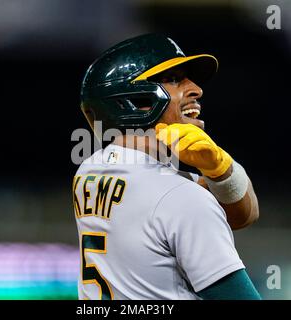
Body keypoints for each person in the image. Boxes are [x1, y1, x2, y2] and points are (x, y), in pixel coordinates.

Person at [72, 34, 261, 300]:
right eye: (174, 79)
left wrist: (220, 170)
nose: (196, 89)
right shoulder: (180, 198)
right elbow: (243, 216)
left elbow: (242, 212)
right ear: (135, 99)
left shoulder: (89, 170)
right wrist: (217, 175)